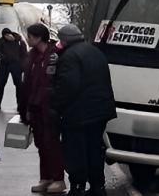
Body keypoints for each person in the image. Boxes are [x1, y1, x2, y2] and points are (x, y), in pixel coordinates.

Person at [50, 24, 116, 196]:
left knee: (76, 151)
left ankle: (77, 187)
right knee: (94, 149)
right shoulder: (95, 51)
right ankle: (98, 186)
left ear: (64, 40)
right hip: (100, 111)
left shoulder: (69, 56)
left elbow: (68, 86)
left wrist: (56, 105)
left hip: (79, 113)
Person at [19, 24, 67, 194]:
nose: (28, 39)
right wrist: (24, 108)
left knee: (51, 143)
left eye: (30, 36)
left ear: (39, 37)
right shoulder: (32, 56)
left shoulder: (54, 55)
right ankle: (45, 177)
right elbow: (27, 83)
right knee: (41, 143)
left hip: (49, 107)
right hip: (34, 106)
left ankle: (58, 179)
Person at [0, 27, 26, 110]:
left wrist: (22, 65)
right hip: (4, 65)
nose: (6, 37)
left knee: (18, 85)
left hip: (16, 65)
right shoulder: (1, 41)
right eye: (5, 35)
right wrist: (3, 58)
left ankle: (20, 105)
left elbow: (24, 53)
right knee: (1, 84)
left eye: (7, 35)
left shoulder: (18, 40)